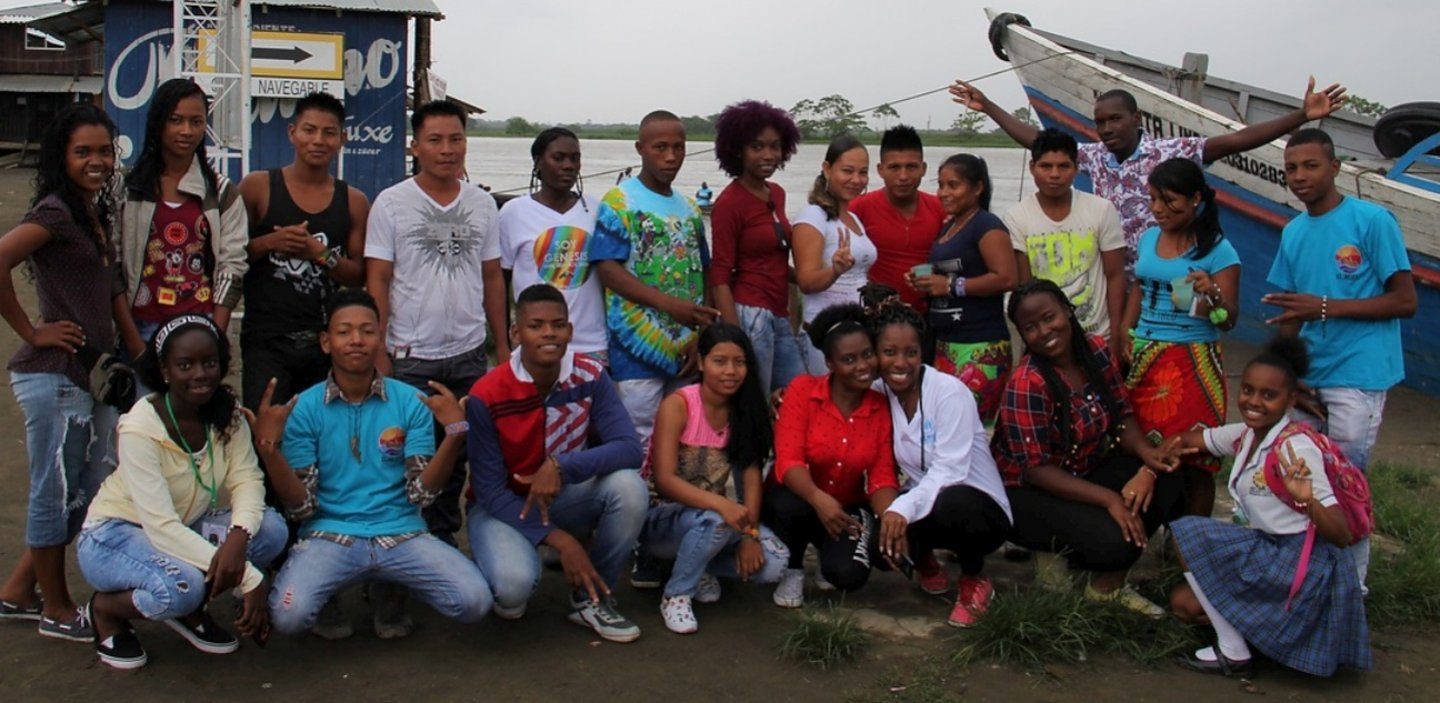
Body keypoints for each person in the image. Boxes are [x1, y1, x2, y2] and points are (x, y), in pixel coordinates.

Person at [258, 289, 492, 637]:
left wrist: (455, 434)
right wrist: (269, 449)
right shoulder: (304, 408)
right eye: (344, 331)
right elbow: (301, 506)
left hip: (401, 533)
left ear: (380, 338)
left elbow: (422, 495)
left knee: (475, 601)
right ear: (326, 341)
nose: (356, 340)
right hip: (329, 535)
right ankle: (330, 594)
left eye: (367, 331)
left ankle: (390, 587)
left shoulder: (410, 401)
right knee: (290, 616)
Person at [951, 77, 1348, 270]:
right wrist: (989, 107)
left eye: (1115, 120)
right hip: (1113, 275)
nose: (1106, 128)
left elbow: (1236, 141)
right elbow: (1038, 141)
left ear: (1136, 119)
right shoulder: (1093, 156)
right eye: (1100, 122)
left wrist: (1300, 116)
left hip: (1161, 269)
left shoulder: (1168, 152)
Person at [77, 315, 288, 669]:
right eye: (185, 365)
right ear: (164, 370)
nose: (200, 374)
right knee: (183, 585)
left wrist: (238, 536)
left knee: (270, 529)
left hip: (181, 528)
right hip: (114, 537)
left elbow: (248, 480)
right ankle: (105, 611)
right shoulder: (140, 427)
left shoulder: (227, 414)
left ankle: (189, 608)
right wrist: (250, 577)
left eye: (209, 362)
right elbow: (160, 526)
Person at [1163, 337, 1370, 677]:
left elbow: (1342, 535)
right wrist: (1151, 464)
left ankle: (1234, 652)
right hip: (1271, 554)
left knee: (1187, 533)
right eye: (1248, 390)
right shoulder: (1247, 434)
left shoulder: (1296, 449)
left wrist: (1305, 497)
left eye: (1268, 395)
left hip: (1301, 565)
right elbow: (1190, 439)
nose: (1254, 402)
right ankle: (1263, 640)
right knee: (1184, 604)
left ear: (1291, 400)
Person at [1264, 128, 1416, 589]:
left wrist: (1326, 307)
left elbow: (1405, 301)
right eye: (1291, 168)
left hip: (1360, 375)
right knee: (1297, 478)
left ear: (1335, 168)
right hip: (1310, 377)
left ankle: (1351, 589)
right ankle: (1298, 578)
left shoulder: (1372, 221)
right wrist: (1287, 375)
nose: (1300, 176)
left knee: (1347, 483)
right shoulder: (1293, 232)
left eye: (1310, 166)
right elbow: (1289, 310)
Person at [0, 105, 127, 640]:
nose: (96, 161)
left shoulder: (90, 210)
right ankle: (55, 608)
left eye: (104, 151)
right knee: (54, 492)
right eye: (83, 152)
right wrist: (32, 331)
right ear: (62, 157)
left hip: (90, 376)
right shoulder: (54, 212)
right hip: (53, 374)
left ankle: (16, 591)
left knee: (89, 488)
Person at [466, 284, 648, 642]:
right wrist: (561, 540)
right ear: (516, 333)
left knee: (630, 487)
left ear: (570, 330)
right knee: (514, 589)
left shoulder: (592, 375)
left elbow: (629, 448)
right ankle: (507, 558)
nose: (549, 333)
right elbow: (487, 489)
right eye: (536, 325)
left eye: (558, 324)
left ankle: (592, 597)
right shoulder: (487, 393)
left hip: (562, 496)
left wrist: (561, 466)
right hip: (502, 507)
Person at [993, 280, 1183, 617]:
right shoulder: (1028, 382)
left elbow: (1121, 414)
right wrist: (1109, 500)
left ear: (1067, 310)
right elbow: (1036, 470)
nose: (1043, 331)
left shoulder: (1095, 350)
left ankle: (1105, 587)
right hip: (1028, 493)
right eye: (1030, 328)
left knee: (1169, 472)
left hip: (1085, 470)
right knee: (1115, 542)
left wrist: (1145, 456)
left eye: (1049, 317)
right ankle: (1054, 548)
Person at [365, 99, 504, 556]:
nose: (447, 150)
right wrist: (379, 348)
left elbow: (490, 278)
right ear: (414, 147)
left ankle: (442, 541)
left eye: (456, 139)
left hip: (467, 353)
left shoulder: (483, 204)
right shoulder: (392, 203)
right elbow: (379, 278)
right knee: (402, 455)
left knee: (457, 454)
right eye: (435, 140)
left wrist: (500, 347)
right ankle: (397, 546)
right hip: (408, 355)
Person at [863, 287, 1012, 628]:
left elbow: (951, 470)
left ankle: (975, 580)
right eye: (889, 352)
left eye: (911, 352)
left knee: (952, 501)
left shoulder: (949, 392)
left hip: (978, 508)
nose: (900, 363)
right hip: (926, 501)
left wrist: (901, 508)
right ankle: (925, 558)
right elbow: (835, 390)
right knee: (878, 549)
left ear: (922, 352)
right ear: (875, 354)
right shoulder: (878, 393)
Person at [640, 323, 789, 633]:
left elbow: (751, 479)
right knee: (716, 519)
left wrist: (749, 534)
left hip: (715, 517)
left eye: (739, 362)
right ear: (703, 362)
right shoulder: (679, 405)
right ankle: (677, 594)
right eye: (719, 361)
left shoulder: (746, 409)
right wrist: (724, 507)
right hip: (663, 519)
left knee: (775, 562)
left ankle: (698, 564)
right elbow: (665, 479)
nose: (730, 371)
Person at [1121, 158, 1240, 518]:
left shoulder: (1219, 250)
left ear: (1195, 200)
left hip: (1193, 362)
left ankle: (1192, 543)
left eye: (1168, 200)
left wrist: (1213, 292)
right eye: (1153, 199)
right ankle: (1149, 529)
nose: (1158, 209)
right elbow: (1139, 287)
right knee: (1140, 448)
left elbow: (1229, 319)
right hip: (1144, 356)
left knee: (1195, 459)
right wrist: (1126, 334)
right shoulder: (1150, 237)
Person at [592, 110, 719, 445]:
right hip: (636, 348)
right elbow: (607, 269)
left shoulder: (690, 208)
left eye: (679, 147)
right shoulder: (619, 201)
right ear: (640, 149)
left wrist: (700, 334)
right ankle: (639, 498)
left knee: (685, 433)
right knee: (640, 435)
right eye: (660, 147)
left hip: (686, 349)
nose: (671, 157)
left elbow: (704, 270)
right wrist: (669, 305)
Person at [238, 92, 367, 411]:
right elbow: (229, 255)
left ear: (342, 139)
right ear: (292, 132)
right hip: (265, 339)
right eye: (309, 130)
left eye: (329, 132)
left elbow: (358, 273)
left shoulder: (353, 201)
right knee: (266, 433)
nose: (318, 140)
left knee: (317, 434)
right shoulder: (258, 187)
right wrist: (270, 243)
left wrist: (318, 253)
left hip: (322, 340)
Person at [764, 303, 899, 608]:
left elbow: (882, 476)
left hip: (845, 505)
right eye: (848, 359)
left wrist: (890, 518)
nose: (862, 365)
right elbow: (788, 461)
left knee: (848, 576)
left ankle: (829, 555)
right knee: (785, 501)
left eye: (867, 354)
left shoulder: (879, 407)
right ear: (830, 363)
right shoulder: (802, 390)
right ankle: (794, 566)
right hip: (798, 498)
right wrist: (818, 498)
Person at [118, 78, 248, 351]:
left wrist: (216, 333)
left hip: (199, 324)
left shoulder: (222, 192)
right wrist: (131, 339)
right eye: (175, 120)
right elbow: (114, 263)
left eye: (196, 121)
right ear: (158, 123)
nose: (186, 130)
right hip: (140, 325)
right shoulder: (128, 188)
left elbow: (232, 267)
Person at [906, 154, 1016, 424]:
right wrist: (927, 280)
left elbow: (1007, 278)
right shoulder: (951, 226)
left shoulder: (987, 225)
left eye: (953, 185)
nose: (943, 193)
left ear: (977, 188)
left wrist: (951, 285)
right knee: (945, 427)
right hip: (946, 345)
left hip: (979, 345)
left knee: (965, 427)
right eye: (941, 185)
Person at [1005, 128, 1128, 362]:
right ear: (1032, 168)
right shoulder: (1017, 217)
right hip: (1048, 341)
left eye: (1063, 166)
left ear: (1076, 168)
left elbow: (1115, 276)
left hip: (1097, 334)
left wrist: (1115, 336)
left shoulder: (1101, 209)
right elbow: (1024, 287)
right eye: (1046, 166)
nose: (1054, 174)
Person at [708, 99, 805, 393]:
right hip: (751, 316)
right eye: (757, 146)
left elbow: (774, 257)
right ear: (737, 150)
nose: (768, 155)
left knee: (799, 393)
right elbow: (720, 274)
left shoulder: (776, 193)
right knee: (753, 400)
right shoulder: (729, 204)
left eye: (775, 146)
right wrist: (733, 337)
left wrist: (816, 277)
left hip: (780, 314)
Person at [498, 127, 607, 362]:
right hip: (534, 346)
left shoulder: (597, 210)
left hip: (591, 345)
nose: (568, 165)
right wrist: (504, 341)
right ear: (538, 163)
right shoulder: (513, 213)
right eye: (558, 158)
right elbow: (500, 282)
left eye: (574, 158)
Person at [792, 135, 876, 373]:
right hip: (825, 337)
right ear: (827, 169)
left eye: (863, 172)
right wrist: (834, 271)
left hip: (857, 334)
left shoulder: (854, 219)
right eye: (847, 171)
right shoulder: (813, 216)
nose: (856, 180)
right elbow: (806, 282)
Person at [850, 125, 946, 312]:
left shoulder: (940, 208)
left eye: (911, 167)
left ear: (924, 168)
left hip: (930, 315)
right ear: (880, 170)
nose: (903, 176)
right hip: (878, 315)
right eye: (894, 167)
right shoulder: (859, 208)